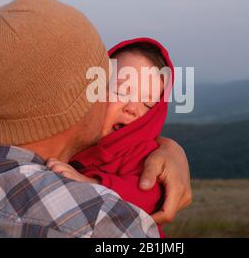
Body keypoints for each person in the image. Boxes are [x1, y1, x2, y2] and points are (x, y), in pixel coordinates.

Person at [0, 0, 191, 238]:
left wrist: (166, 146)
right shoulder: (97, 221)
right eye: (103, 85)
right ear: (70, 104)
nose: (134, 109)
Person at [47, 38, 174, 238]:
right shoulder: (68, 134)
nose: (132, 108)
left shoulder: (143, 153)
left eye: (148, 104)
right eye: (121, 92)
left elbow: (149, 194)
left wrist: (92, 183)